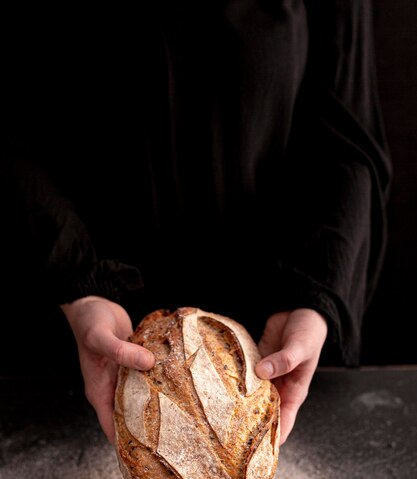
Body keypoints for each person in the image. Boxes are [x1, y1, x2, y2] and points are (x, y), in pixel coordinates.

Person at [1, 1, 391, 445]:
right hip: (83, 331)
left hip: (265, 343)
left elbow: (347, 138)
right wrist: (77, 282)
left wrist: (315, 296)